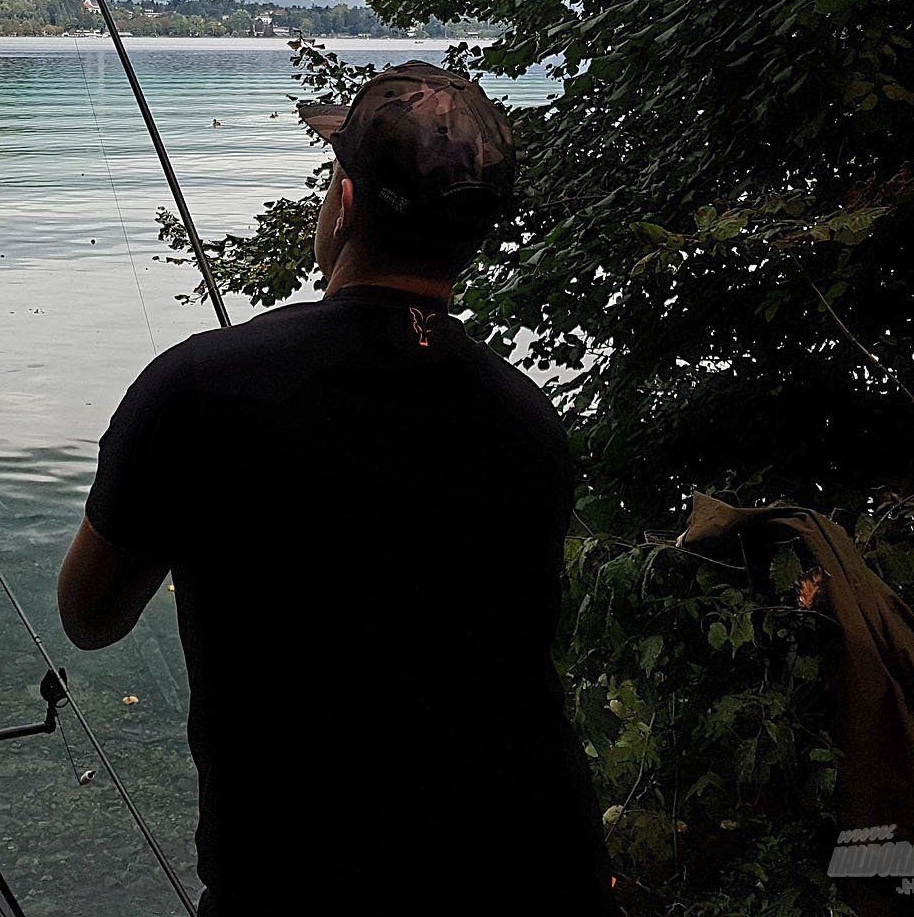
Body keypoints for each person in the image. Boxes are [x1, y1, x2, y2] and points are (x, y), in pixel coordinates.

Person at [56, 60, 618, 915]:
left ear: (344, 206)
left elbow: (87, 616)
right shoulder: (527, 422)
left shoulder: (199, 390)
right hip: (540, 872)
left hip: (299, 886)